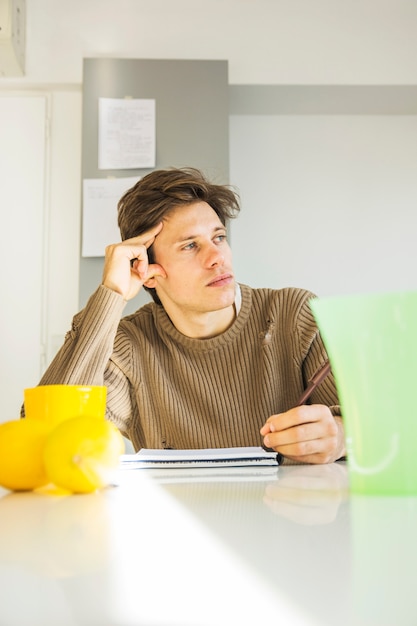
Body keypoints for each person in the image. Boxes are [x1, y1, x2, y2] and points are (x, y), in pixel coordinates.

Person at [36, 167, 345, 464]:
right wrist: (111, 294)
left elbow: (376, 427)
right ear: (148, 271)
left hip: (290, 514)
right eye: (190, 246)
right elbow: (48, 435)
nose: (216, 257)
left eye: (219, 238)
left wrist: (342, 437)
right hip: (176, 517)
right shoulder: (128, 346)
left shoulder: (295, 314)